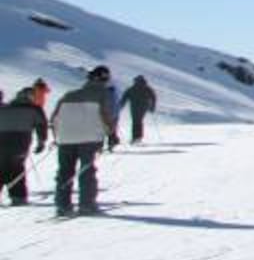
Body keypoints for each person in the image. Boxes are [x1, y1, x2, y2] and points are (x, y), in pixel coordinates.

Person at [48, 66, 118, 216]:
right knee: (86, 170)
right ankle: (87, 204)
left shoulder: (69, 95)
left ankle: (62, 205)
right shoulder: (104, 94)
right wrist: (111, 134)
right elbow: (107, 115)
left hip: (65, 137)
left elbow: (54, 118)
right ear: (105, 79)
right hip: (89, 137)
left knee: (64, 171)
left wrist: (57, 137)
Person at [0, 88, 49, 206]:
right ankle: (18, 197)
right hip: (20, 142)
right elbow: (42, 126)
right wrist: (41, 142)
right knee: (16, 169)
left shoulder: (6, 107)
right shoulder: (34, 109)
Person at [119, 75, 157, 144]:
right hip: (143, 107)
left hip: (135, 107)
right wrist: (152, 107)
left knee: (136, 121)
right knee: (138, 121)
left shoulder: (132, 88)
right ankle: (138, 137)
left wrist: (120, 106)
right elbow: (153, 97)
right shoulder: (147, 88)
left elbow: (125, 97)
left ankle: (136, 137)